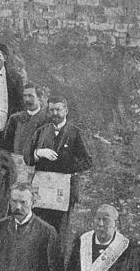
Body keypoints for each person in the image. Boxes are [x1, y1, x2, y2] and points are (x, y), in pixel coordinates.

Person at [28, 94, 93, 257]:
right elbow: (27, 157)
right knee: (39, 228)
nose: (55, 113)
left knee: (59, 233)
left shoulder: (75, 133)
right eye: (51, 110)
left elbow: (87, 161)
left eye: (58, 110)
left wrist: (67, 167)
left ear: (66, 111)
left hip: (63, 191)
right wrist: (38, 152)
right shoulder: (41, 132)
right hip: (42, 190)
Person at [2, 82, 48, 178]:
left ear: (39, 98)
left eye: (30, 96)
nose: (27, 99)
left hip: (40, 169)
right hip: (18, 168)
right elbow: (7, 145)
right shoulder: (15, 119)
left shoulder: (47, 120)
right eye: (25, 96)